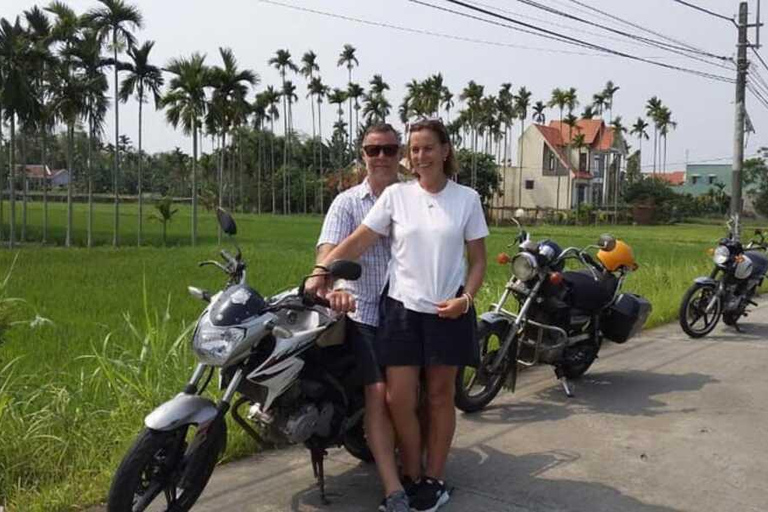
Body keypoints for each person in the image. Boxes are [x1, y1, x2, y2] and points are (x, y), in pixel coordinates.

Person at [315, 118, 488, 512]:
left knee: (440, 397)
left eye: (428, 148)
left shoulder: (467, 199)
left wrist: (467, 299)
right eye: (414, 149)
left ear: (445, 150)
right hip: (400, 310)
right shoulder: (397, 196)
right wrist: (321, 273)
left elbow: (478, 260)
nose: (420, 156)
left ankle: (434, 479)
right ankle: (410, 472)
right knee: (397, 399)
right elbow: (358, 241)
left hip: (447, 311)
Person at [308, 123, 413, 512]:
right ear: (363, 155)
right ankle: (392, 486)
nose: (381, 157)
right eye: (373, 150)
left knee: (417, 392)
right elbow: (330, 248)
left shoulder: (415, 199)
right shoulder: (348, 202)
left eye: (389, 149)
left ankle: (420, 468)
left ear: (400, 154)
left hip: (408, 311)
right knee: (378, 393)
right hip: (362, 308)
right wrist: (326, 281)